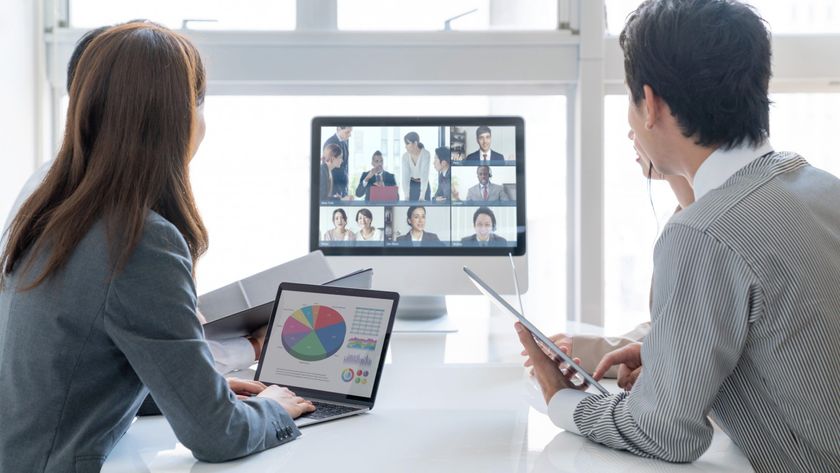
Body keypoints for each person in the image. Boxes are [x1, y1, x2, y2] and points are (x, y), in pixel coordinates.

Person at [518, 1, 840, 470]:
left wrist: (559, 400)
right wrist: (664, 353)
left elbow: (665, 433)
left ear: (651, 104)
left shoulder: (703, 232)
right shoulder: (819, 185)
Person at [0, 23, 315, 470]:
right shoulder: (139, 239)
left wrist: (199, 389)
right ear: (177, 116)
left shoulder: (51, 202)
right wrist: (274, 409)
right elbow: (217, 437)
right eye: (199, 100)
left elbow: (74, 366)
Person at [401, 132, 431, 201]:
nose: (405, 146)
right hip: (412, 185)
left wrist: (422, 196)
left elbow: (424, 175)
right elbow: (405, 177)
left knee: (425, 208)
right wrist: (406, 196)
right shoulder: (405, 156)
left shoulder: (425, 154)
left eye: (407, 143)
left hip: (424, 185)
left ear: (415, 143)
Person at [323, 126, 352, 197]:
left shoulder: (344, 144)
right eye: (347, 132)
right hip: (334, 189)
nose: (350, 135)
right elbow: (329, 168)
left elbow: (345, 167)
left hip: (342, 188)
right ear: (339, 129)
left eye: (350, 132)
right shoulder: (330, 142)